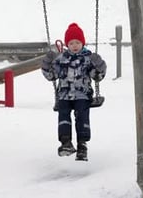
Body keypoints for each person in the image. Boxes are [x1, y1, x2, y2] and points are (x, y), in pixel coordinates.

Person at [41, 23, 107, 161]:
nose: (75, 45)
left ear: (82, 43)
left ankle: (82, 145)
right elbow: (52, 76)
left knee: (82, 115)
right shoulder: (61, 59)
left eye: (77, 42)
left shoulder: (88, 59)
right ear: (67, 44)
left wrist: (100, 66)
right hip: (64, 95)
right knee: (63, 115)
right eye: (71, 43)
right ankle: (66, 143)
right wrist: (47, 65)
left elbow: (97, 76)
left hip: (82, 94)